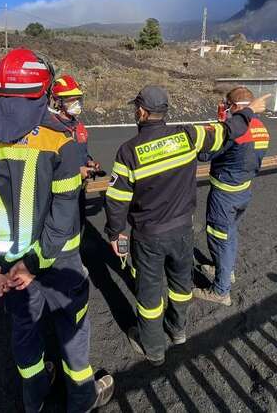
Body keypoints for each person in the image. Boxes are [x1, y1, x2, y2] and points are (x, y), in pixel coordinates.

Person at [0, 48, 113, 412]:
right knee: (73, 331)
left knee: (24, 335)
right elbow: (62, 216)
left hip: (8, 271)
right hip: (58, 263)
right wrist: (33, 263)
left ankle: (35, 399)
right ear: (43, 93)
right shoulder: (60, 144)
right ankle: (81, 398)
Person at [104, 85, 268, 366]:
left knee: (148, 294)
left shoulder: (128, 152)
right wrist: (249, 110)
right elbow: (230, 130)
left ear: (141, 112)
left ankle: (153, 348)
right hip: (182, 232)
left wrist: (115, 234)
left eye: (137, 108)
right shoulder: (189, 135)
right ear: (165, 111)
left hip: (148, 237)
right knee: (181, 285)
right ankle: (177, 330)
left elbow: (117, 200)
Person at [193, 87, 270, 306]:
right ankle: (225, 270)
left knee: (220, 238)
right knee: (231, 234)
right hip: (243, 191)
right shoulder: (261, 128)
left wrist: (219, 129)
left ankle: (220, 290)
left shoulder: (233, 132)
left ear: (234, 107)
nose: (224, 109)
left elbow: (204, 153)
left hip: (224, 195)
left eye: (227, 105)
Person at [49, 74, 103, 227]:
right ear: (58, 102)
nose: (77, 103)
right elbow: (48, 164)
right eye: (71, 99)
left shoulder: (78, 127)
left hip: (78, 190)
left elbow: (82, 153)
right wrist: (76, 170)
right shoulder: (51, 129)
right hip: (58, 194)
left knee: (79, 227)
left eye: (78, 99)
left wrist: (89, 162)